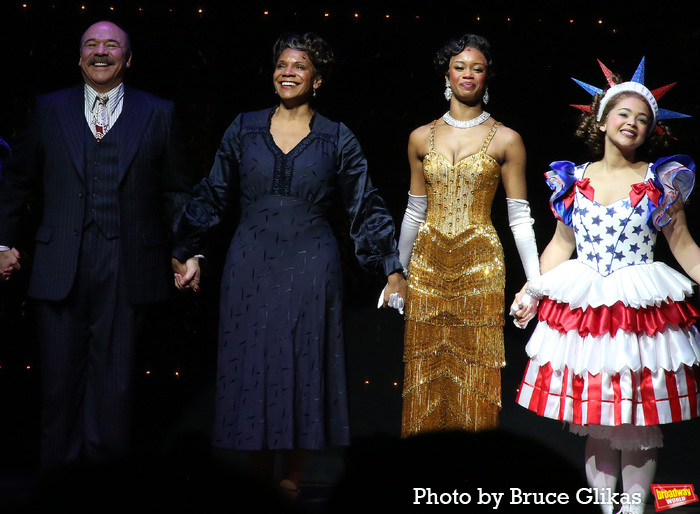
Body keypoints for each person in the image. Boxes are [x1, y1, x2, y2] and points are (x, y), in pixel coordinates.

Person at [171, 32, 405, 497]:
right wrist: (186, 248)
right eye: (281, 64)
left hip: (311, 263)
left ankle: (290, 482)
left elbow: (365, 206)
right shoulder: (244, 127)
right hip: (249, 262)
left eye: (299, 66)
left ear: (316, 79)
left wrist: (391, 268)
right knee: (252, 364)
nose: (288, 72)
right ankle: (258, 480)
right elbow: (214, 191)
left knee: (302, 364)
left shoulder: (338, 136)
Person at [0, 20, 195, 469]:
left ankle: (106, 487)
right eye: (91, 44)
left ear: (128, 58)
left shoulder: (158, 111)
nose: (100, 51)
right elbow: (16, 180)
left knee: (116, 386)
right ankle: (58, 488)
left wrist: (187, 250)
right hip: (58, 262)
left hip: (129, 263)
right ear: (79, 56)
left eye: (112, 44)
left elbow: (178, 190)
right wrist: (2, 242)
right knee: (57, 385)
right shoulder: (49, 108)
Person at [513, 58, 700, 514]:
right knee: (596, 415)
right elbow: (560, 244)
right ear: (600, 119)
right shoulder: (572, 180)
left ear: (651, 129)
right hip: (587, 307)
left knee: (636, 417)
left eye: (642, 118)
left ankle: (633, 509)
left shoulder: (661, 180)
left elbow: (684, 245)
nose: (631, 123)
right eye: (623, 113)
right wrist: (531, 291)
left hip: (638, 306)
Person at [392, 33, 539, 436]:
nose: (468, 74)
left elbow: (520, 217)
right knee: (425, 373)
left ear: (487, 77)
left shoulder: (508, 139)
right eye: (460, 66)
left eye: (477, 67)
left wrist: (535, 283)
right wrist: (396, 274)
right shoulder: (421, 137)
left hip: (480, 266)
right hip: (427, 264)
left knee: (475, 372)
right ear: (447, 74)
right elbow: (413, 210)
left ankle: (471, 474)